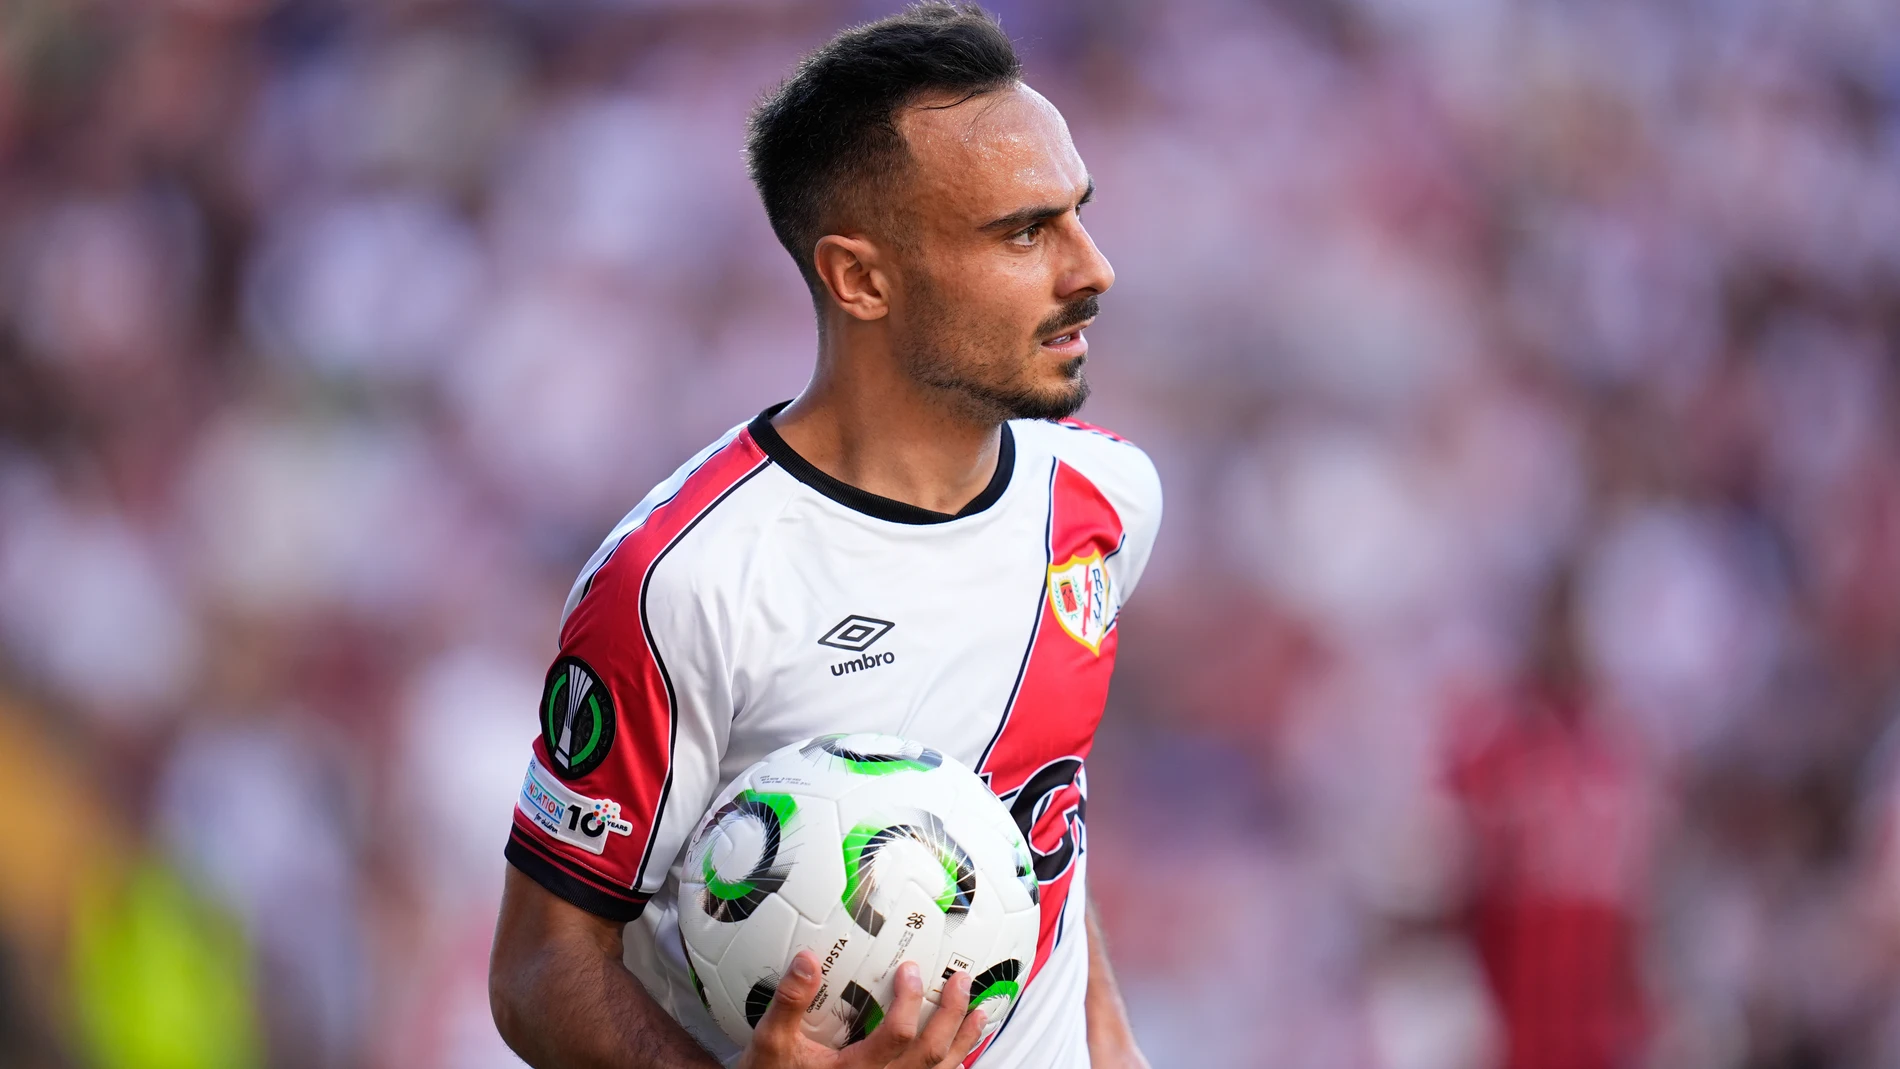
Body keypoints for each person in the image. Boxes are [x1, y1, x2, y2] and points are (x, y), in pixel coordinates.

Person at [487, 6, 1159, 1068]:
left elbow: (1048, 824)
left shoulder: (1107, 495)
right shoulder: (683, 582)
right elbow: (540, 965)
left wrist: (1111, 1046)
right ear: (859, 278)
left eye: (1077, 213)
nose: (1092, 268)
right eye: (1024, 232)